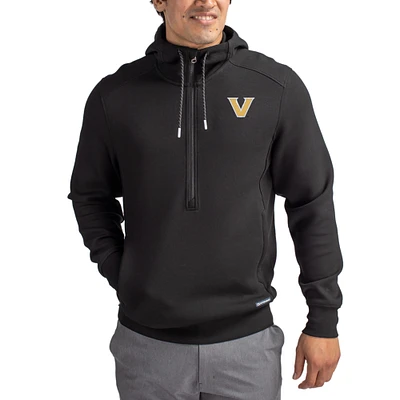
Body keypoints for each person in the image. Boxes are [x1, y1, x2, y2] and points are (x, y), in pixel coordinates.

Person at [67, 1, 343, 398]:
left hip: (247, 347)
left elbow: (311, 202)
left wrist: (323, 319)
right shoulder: (115, 96)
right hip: (147, 349)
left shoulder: (275, 87)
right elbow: (90, 195)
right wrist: (121, 271)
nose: (206, 2)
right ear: (158, 1)